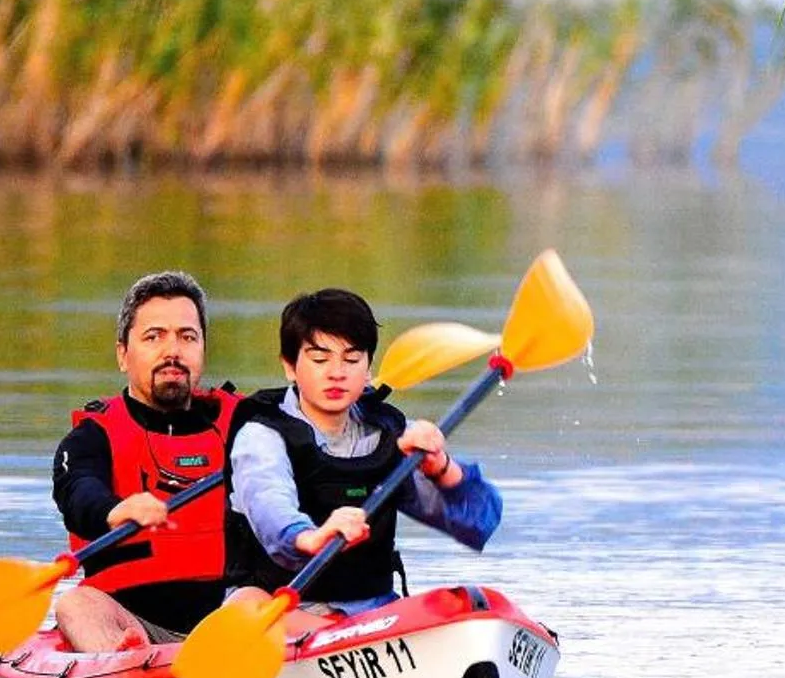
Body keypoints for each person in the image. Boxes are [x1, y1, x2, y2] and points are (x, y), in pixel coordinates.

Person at [225, 287, 501, 616]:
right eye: (319, 359)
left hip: (372, 614)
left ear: (368, 368)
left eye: (352, 359)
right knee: (250, 604)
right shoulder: (261, 436)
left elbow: (479, 523)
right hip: (281, 613)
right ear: (289, 366)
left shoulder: (393, 435)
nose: (337, 372)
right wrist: (311, 538)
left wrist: (442, 468)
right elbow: (270, 509)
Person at [50, 271, 240, 651]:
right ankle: (124, 664)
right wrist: (115, 509)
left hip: (234, 623)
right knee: (75, 603)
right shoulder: (92, 437)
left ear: (203, 349)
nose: (173, 351)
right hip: (133, 626)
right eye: (154, 337)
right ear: (123, 354)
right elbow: (77, 491)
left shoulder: (249, 426)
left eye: (187, 337)